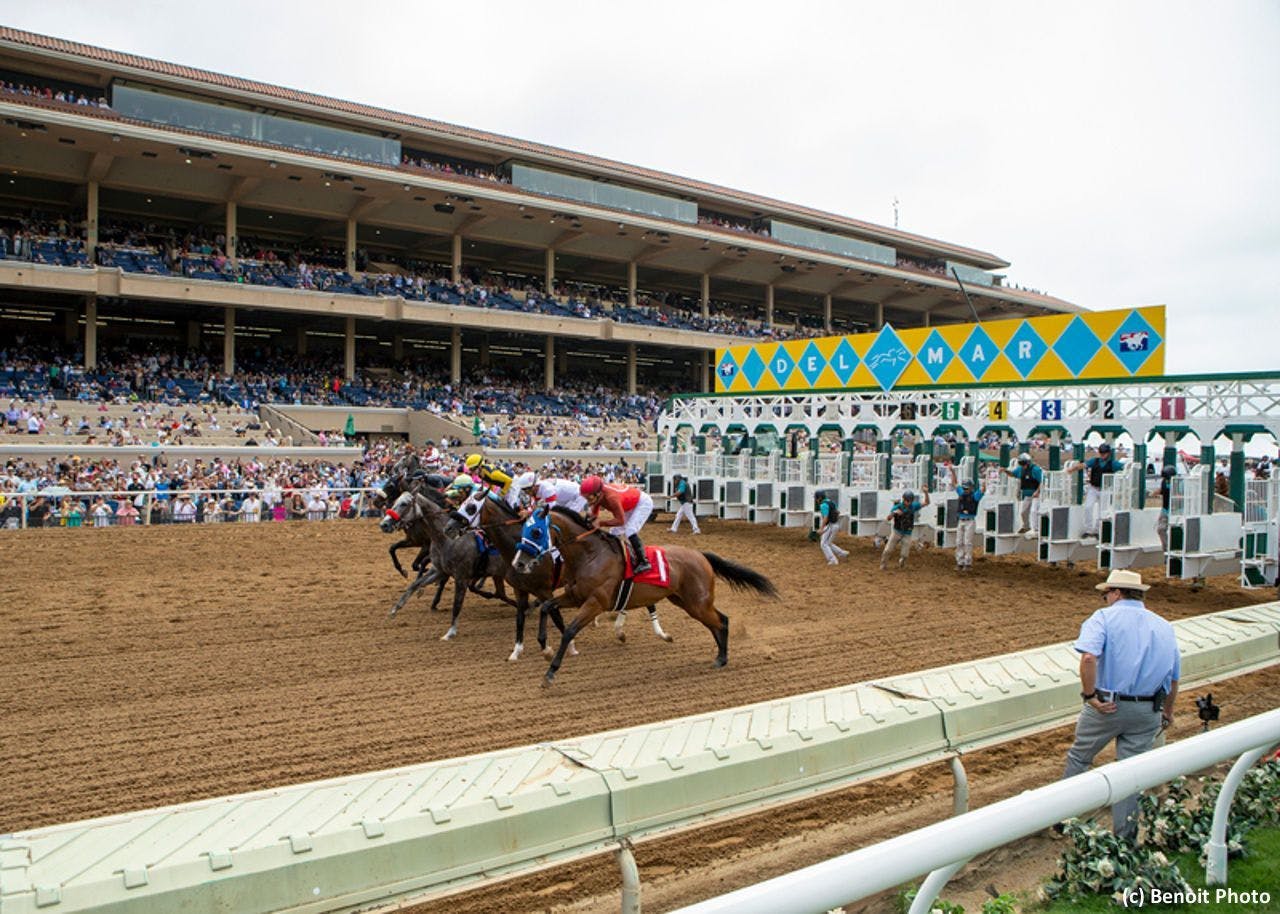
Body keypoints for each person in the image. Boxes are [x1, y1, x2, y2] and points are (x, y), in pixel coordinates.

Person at [1060, 569, 1180, 841]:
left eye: (1106, 594)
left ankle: (1062, 820)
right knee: (1130, 773)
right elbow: (1173, 679)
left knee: (1080, 757)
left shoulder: (1102, 618)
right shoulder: (1164, 625)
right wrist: (1168, 712)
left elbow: (1089, 658)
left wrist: (1090, 696)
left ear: (1116, 593)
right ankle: (1125, 837)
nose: (1104, 599)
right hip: (1148, 709)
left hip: (1108, 706)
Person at [580, 474, 653, 574]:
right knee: (613, 532)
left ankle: (644, 562)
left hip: (642, 503)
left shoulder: (611, 498)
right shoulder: (600, 494)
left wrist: (601, 523)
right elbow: (595, 509)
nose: (588, 501)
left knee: (630, 531)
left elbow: (620, 521)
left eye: (589, 498)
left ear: (598, 493)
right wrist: (591, 517)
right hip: (629, 505)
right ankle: (615, 557)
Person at [1066, 442, 1123, 538]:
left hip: (1105, 489)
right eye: (1101, 453)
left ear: (1108, 453)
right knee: (1088, 507)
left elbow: (1124, 467)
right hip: (1093, 487)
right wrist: (1072, 469)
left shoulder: (1113, 464)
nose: (1102, 455)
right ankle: (1088, 529)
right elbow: (1083, 465)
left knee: (1102, 511)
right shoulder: (1095, 461)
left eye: (1104, 453)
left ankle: (1097, 530)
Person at [881, 486, 930, 570]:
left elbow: (926, 502)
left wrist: (926, 493)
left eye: (910, 501)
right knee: (888, 550)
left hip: (907, 533)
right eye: (907, 500)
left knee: (905, 554)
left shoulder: (913, 506)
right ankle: (883, 564)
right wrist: (894, 513)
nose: (908, 502)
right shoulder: (897, 507)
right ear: (903, 499)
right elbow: (888, 518)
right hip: (897, 531)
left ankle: (902, 563)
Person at [950, 466, 983, 572]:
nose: (965, 490)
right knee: (959, 541)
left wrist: (984, 480)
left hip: (970, 520)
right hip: (961, 520)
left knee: (967, 542)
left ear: (971, 488)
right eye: (964, 488)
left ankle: (967, 563)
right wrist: (953, 472)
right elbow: (954, 483)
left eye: (967, 488)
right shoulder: (961, 493)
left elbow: (983, 490)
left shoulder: (975, 496)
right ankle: (960, 562)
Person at [1001, 452, 1042, 535]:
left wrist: (1037, 491)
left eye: (1024, 463)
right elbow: (1012, 474)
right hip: (1027, 495)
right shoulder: (1020, 469)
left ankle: (1036, 529)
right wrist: (1005, 471)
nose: (1023, 466)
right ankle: (1026, 526)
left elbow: (1042, 481)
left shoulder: (1036, 470)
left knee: (1034, 511)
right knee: (1023, 512)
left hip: (1036, 495)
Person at [816, 490, 847, 565]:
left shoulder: (823, 505)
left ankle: (833, 559)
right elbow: (837, 512)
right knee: (828, 543)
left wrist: (821, 528)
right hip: (835, 524)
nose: (816, 500)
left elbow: (825, 518)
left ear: (819, 498)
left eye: (816, 498)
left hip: (830, 525)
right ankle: (841, 553)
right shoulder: (831, 502)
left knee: (823, 544)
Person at [1156, 464, 1176, 549]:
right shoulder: (1163, 482)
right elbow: (1162, 490)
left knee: (1175, 531)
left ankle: (1174, 548)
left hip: (1176, 510)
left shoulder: (1178, 483)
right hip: (1165, 510)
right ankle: (1166, 549)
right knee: (1160, 529)